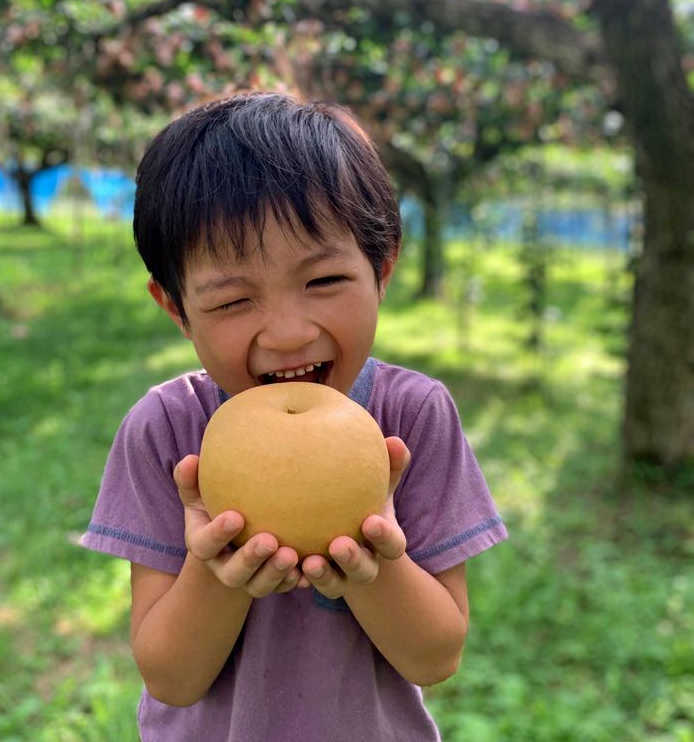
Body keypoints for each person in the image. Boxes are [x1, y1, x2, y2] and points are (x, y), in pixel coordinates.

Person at [80, 92, 507, 741]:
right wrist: (217, 571)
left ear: (382, 266)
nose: (286, 333)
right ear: (175, 308)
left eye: (324, 282)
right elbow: (170, 678)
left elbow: (436, 656)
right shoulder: (166, 433)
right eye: (232, 301)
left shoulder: (411, 419)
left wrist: (377, 567)